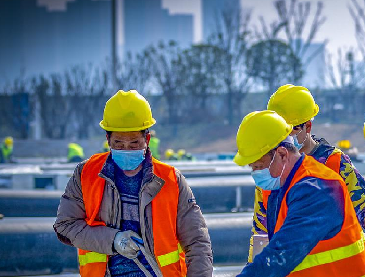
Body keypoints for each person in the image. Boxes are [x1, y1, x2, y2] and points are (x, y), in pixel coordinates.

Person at [53, 90, 213, 277]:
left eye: (134, 143)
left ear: (147, 139)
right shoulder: (86, 174)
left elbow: (197, 242)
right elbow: (65, 225)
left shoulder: (171, 180)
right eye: (119, 144)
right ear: (108, 140)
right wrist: (113, 240)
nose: (126, 149)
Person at [234, 110, 365, 276]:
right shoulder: (284, 185)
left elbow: (282, 253)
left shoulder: (318, 188)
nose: (255, 173)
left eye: (259, 166)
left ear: (281, 154)